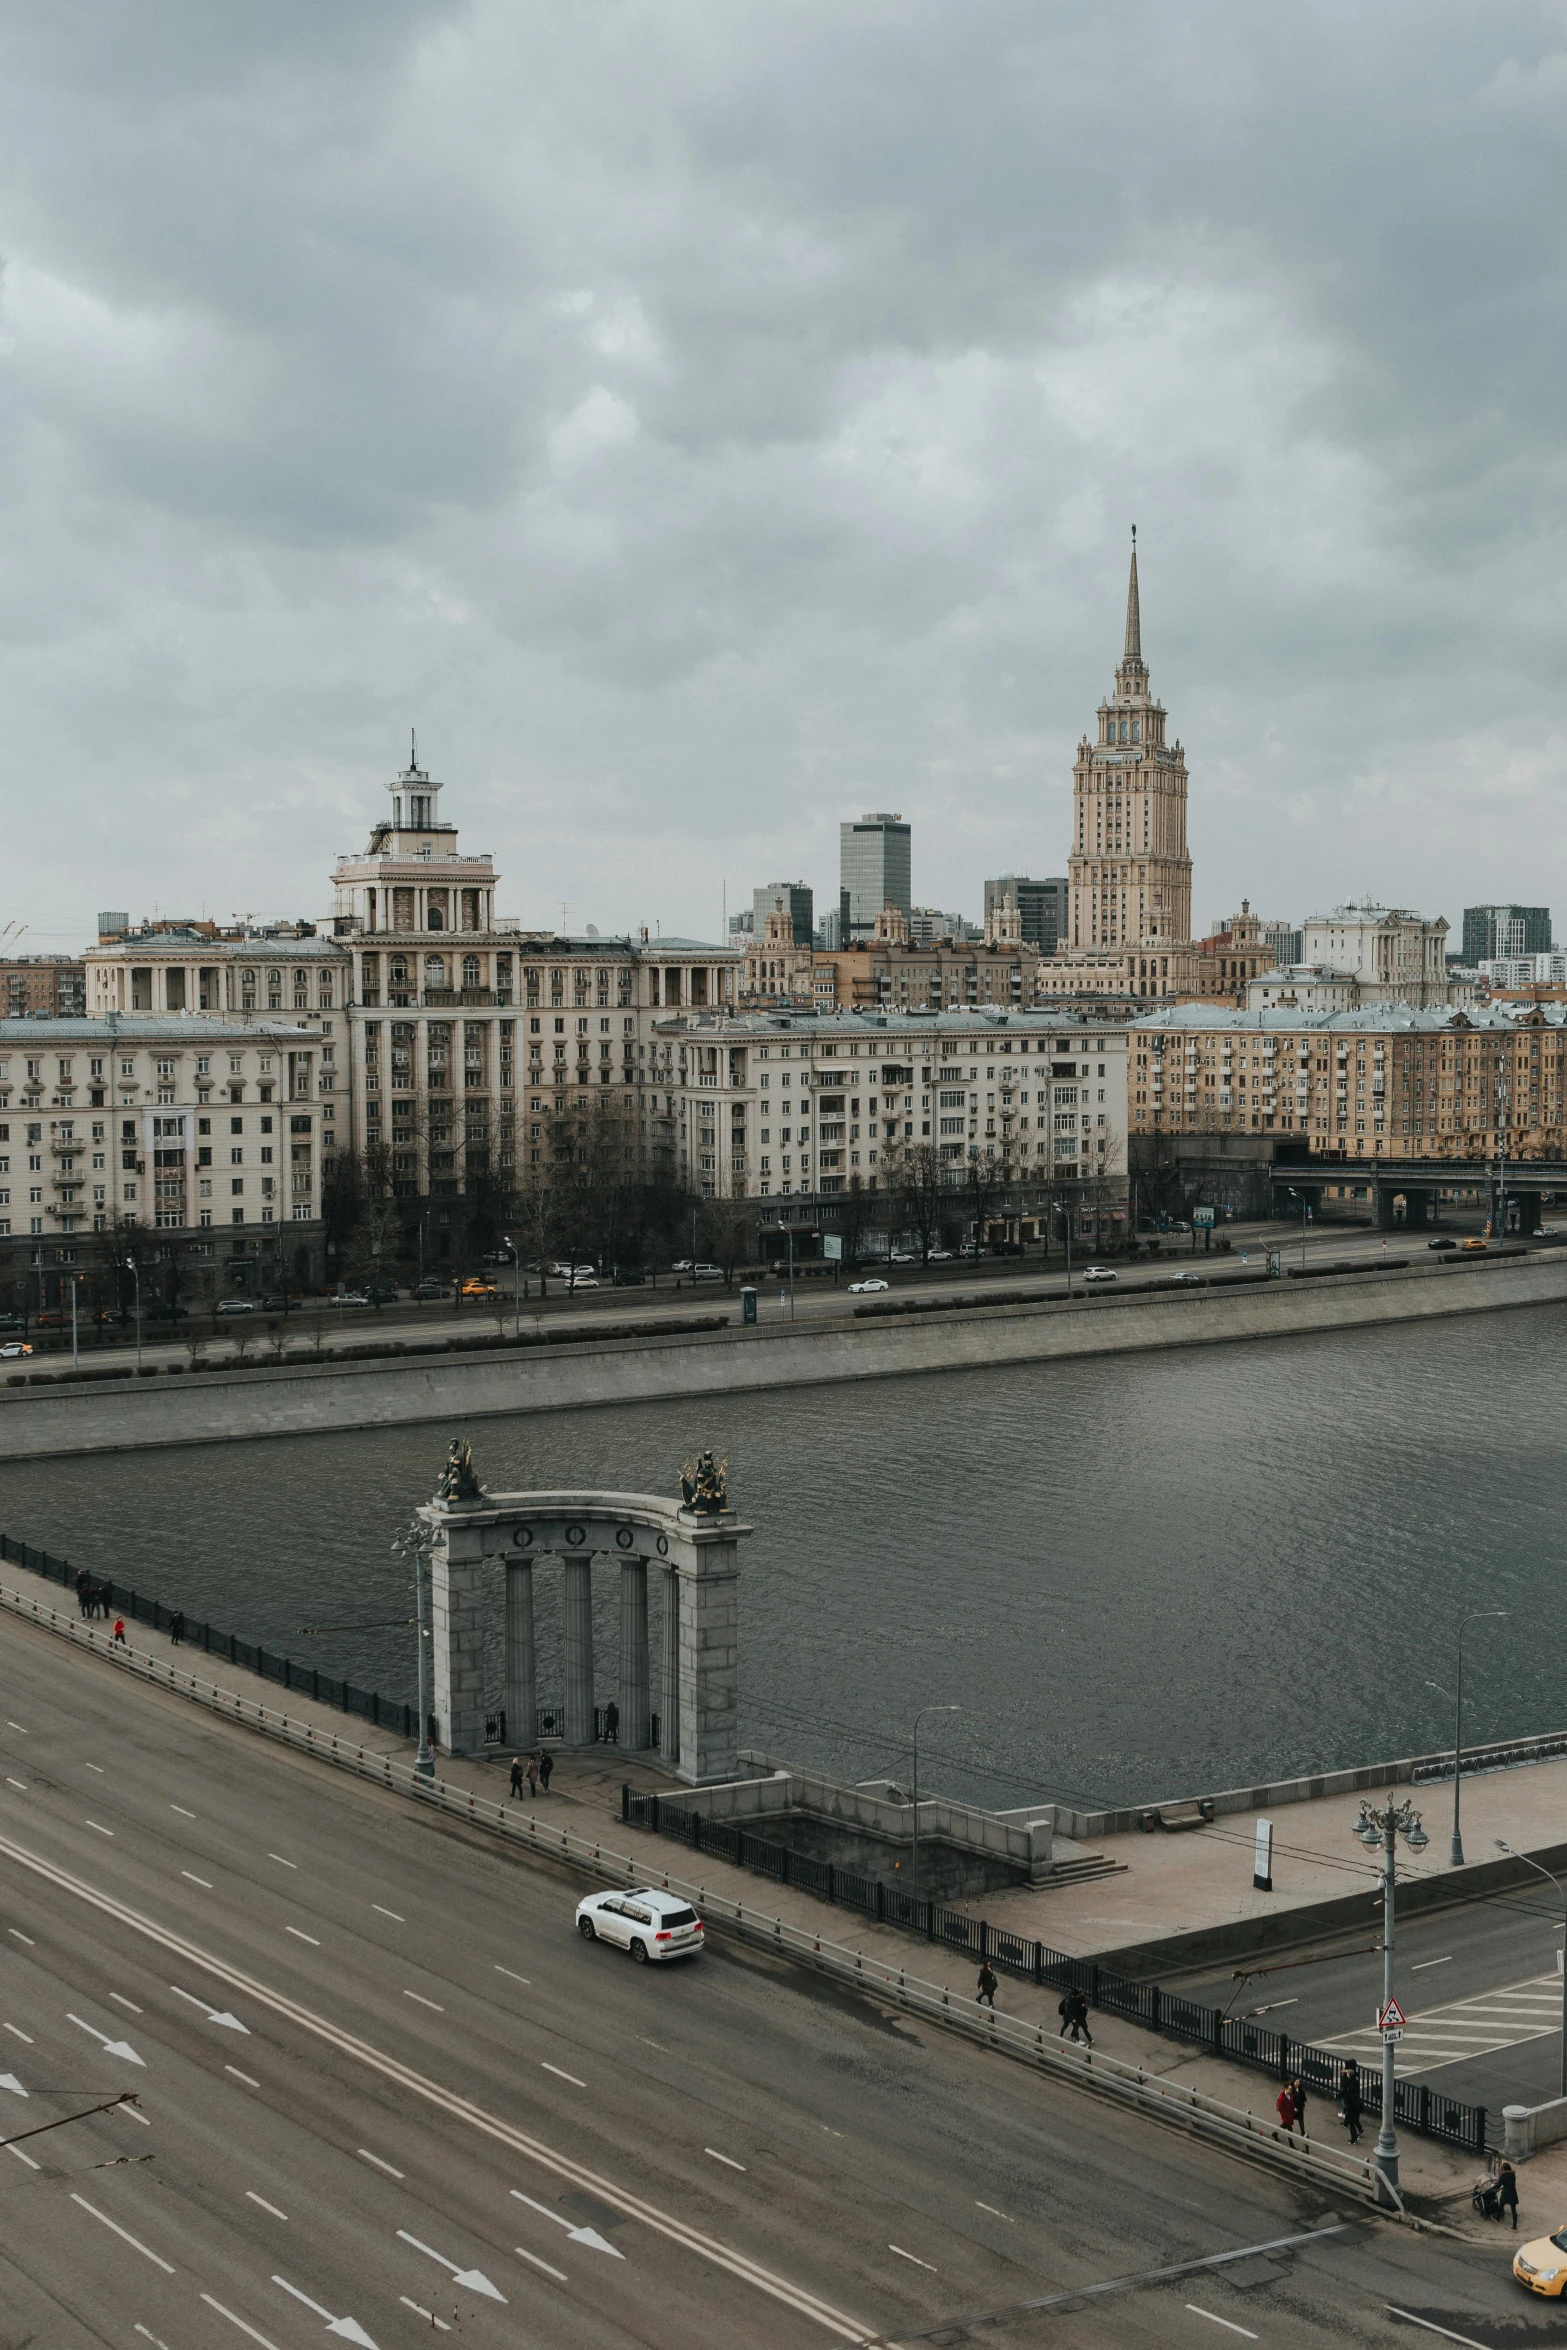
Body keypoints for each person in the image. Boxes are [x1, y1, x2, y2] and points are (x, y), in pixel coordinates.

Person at [1339, 2058, 1362, 2146]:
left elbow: (1345, 2090)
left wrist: (1338, 2095)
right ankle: (1356, 2131)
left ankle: (1354, 2138)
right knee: (1353, 2119)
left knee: (1352, 2122)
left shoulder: (1350, 2084)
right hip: (1355, 2104)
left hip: (1352, 2104)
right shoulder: (1354, 2080)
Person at [1496, 2158, 1519, 2231]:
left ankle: (1498, 2218)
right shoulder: (1513, 2175)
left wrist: (1494, 2186)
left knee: (1501, 2205)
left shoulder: (1503, 2176)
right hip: (1513, 2193)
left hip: (1506, 2193)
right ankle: (1514, 2226)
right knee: (1513, 2210)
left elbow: (1498, 2185)